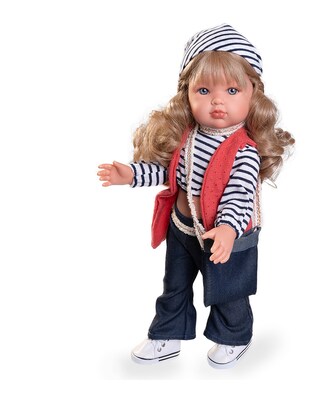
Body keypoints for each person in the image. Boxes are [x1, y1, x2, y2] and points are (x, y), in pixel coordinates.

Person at [97, 23, 294, 369]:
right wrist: (131, 175)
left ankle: (235, 335)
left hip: (224, 236)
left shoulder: (244, 151)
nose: (217, 100)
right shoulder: (189, 136)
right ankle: (168, 334)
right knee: (174, 285)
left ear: (253, 95)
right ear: (186, 94)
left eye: (232, 90)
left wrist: (229, 229)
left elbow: (239, 194)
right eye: (204, 90)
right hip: (183, 229)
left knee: (228, 291)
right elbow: (171, 173)